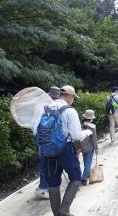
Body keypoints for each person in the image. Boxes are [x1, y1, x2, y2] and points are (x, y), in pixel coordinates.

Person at [33, 85, 87, 216]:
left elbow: (35, 131)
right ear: (69, 96)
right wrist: (86, 133)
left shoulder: (45, 109)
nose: (73, 100)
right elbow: (76, 136)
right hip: (66, 150)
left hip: (48, 151)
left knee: (53, 183)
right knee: (75, 178)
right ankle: (64, 210)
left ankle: (57, 214)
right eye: (73, 97)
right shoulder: (69, 111)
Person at [35, 86, 61, 199]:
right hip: (45, 138)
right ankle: (42, 188)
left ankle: (45, 186)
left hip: (40, 137)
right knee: (45, 163)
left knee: (45, 162)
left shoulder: (41, 105)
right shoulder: (50, 106)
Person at [75, 109, 98, 186]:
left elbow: (77, 138)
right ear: (91, 119)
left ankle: (87, 174)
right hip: (90, 148)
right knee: (88, 163)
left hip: (82, 147)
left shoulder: (80, 125)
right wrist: (96, 148)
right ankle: (83, 179)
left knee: (85, 161)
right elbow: (94, 139)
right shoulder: (92, 127)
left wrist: (78, 148)